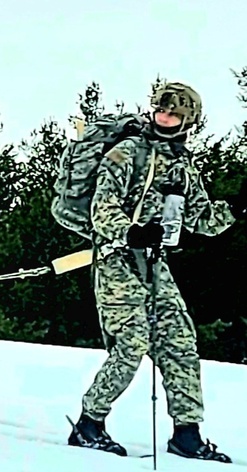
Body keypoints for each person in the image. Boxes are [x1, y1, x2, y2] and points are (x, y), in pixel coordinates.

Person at [67, 81, 244, 463]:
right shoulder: (127, 152)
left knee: (180, 342)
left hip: (155, 263)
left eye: (175, 114)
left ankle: (187, 433)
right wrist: (130, 231)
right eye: (162, 110)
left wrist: (236, 209)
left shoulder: (182, 165)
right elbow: (103, 208)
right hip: (116, 259)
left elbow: (201, 218)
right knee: (131, 342)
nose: (166, 118)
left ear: (188, 120)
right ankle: (89, 424)